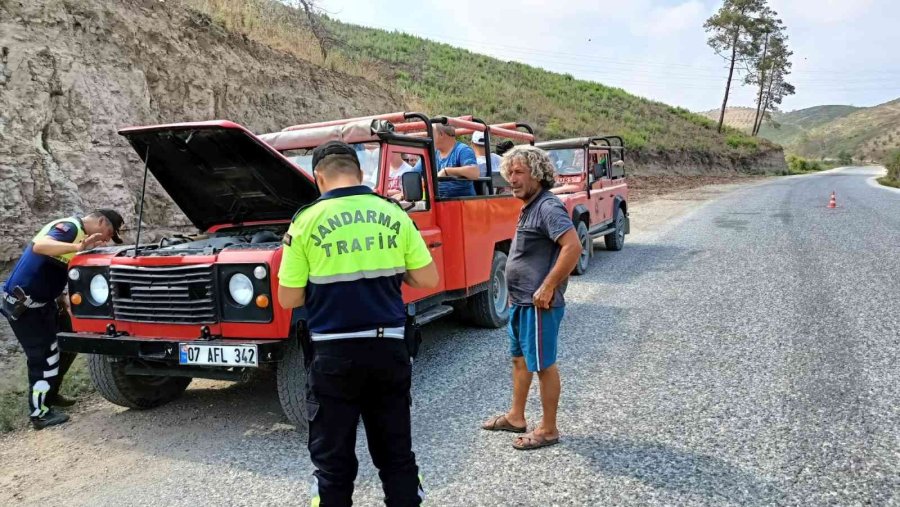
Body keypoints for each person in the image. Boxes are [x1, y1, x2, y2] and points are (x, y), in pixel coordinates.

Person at [278, 141, 439, 506]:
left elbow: (289, 299)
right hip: (389, 349)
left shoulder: (305, 221)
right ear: (360, 173)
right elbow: (427, 279)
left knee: (333, 465)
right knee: (396, 457)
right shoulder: (392, 213)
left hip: (332, 355)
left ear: (318, 177)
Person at [480, 145, 581, 450]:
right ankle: (516, 417)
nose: (512, 178)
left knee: (543, 365)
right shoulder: (530, 205)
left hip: (539, 305)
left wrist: (549, 286)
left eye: (519, 172)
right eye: (509, 172)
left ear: (538, 174)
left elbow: (572, 247)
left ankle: (549, 429)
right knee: (520, 360)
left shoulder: (548, 207)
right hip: (522, 302)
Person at [1, 209, 124, 429]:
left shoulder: (77, 234)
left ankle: (51, 392)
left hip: (45, 304)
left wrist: (62, 299)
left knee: (69, 338)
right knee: (44, 357)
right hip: (25, 308)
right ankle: (40, 414)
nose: (106, 238)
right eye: (109, 232)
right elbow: (40, 246)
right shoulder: (69, 229)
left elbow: (51, 268)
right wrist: (78, 247)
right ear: (101, 221)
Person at [413, 124, 479, 198]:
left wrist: (446, 171)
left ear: (441, 134)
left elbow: (474, 173)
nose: (429, 137)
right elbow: (413, 173)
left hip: (461, 204)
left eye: (431, 133)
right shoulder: (431, 153)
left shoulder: (462, 150)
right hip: (435, 202)